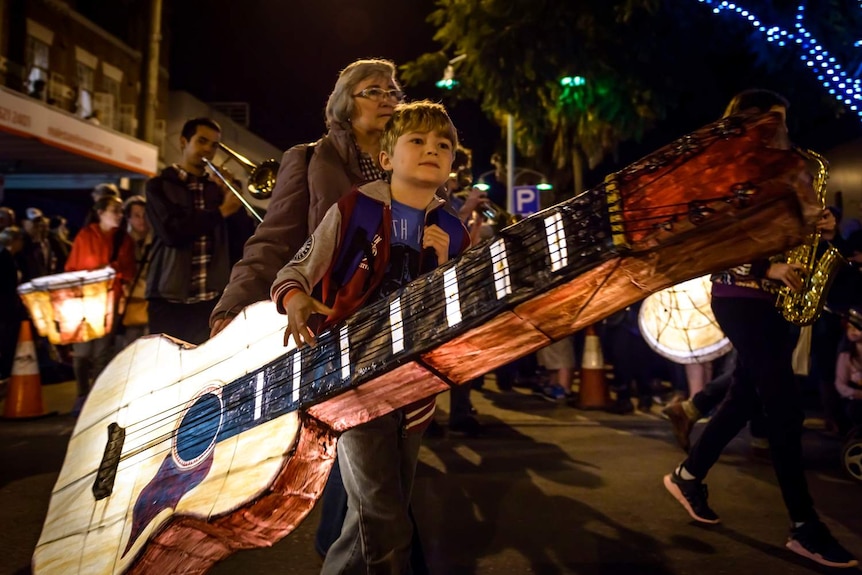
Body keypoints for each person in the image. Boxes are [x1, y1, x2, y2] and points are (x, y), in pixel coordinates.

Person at [205, 59, 426, 564]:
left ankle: (364, 553)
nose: (389, 97)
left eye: (394, 89)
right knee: (367, 479)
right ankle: (353, 554)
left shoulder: (409, 157)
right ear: (345, 105)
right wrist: (234, 304)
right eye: (374, 90)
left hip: (403, 328)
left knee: (381, 477)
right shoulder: (308, 159)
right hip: (334, 326)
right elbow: (274, 239)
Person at [662, 89, 858, 569]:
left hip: (779, 301)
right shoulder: (725, 172)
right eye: (770, 121)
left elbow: (787, 228)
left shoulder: (782, 170)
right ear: (745, 123)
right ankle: (805, 528)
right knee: (784, 410)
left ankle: (689, 475)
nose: (780, 129)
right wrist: (764, 267)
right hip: (740, 297)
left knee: (743, 398)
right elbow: (713, 239)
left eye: (783, 121)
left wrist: (823, 227)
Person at [273, 100, 469, 575]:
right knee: (384, 519)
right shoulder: (353, 208)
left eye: (443, 145)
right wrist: (295, 298)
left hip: (416, 386)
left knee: (376, 515)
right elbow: (298, 268)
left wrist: (444, 268)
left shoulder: (453, 229)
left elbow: (460, 317)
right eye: (417, 141)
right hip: (351, 377)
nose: (432, 150)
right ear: (386, 158)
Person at [144, 117, 243, 345]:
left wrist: (233, 199)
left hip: (210, 301)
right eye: (202, 141)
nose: (208, 149)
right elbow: (171, 233)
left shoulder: (217, 189)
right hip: (168, 300)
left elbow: (240, 240)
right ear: (183, 142)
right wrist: (221, 212)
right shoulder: (159, 185)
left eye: (214, 145)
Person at [64, 194, 136, 408]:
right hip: (82, 301)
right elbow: (70, 269)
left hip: (109, 301)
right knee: (82, 352)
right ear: (100, 212)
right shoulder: (85, 235)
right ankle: (81, 394)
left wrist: (113, 274)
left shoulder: (124, 239)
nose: (120, 215)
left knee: (102, 352)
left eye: (121, 210)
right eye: (115, 210)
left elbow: (129, 271)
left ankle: (95, 401)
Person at [116, 195, 153, 348]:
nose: (141, 220)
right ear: (128, 218)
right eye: (136, 215)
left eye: (145, 215)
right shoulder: (121, 242)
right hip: (129, 304)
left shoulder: (156, 241)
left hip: (150, 304)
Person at [0, 226, 27, 381]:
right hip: (6, 308)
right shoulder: (4, 258)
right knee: (6, 340)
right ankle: (5, 372)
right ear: (14, 241)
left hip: (10, 307)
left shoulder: (13, 257)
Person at [832, 308, 862, 433]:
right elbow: (840, 384)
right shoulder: (846, 355)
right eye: (850, 327)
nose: (853, 331)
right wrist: (856, 393)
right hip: (856, 399)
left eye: (857, 327)